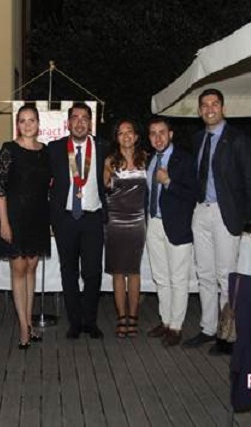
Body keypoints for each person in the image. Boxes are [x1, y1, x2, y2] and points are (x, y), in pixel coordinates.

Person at [182, 88, 251, 354]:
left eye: (214, 104)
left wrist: (244, 218)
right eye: (204, 105)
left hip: (225, 214)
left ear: (223, 108)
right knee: (204, 274)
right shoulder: (198, 139)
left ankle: (228, 335)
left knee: (226, 276)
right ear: (199, 111)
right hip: (201, 212)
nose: (210, 109)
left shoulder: (238, 139)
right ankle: (208, 328)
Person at [48, 102, 108, 339]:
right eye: (75, 117)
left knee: (93, 273)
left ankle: (90, 321)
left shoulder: (103, 147)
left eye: (84, 118)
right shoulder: (55, 148)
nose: (80, 122)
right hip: (65, 219)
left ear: (90, 123)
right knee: (69, 272)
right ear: (68, 123)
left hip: (93, 219)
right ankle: (74, 322)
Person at [0, 104, 50, 350]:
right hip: (15, 218)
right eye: (23, 120)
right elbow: (0, 190)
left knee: (31, 269)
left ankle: (29, 321)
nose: (27, 125)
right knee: (18, 270)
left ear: (38, 123)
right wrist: (4, 223)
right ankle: (23, 328)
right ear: (17, 124)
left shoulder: (45, 151)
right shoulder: (9, 149)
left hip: (38, 218)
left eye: (32, 120)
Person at [144, 116, 196, 347]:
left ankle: (176, 326)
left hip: (177, 225)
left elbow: (193, 193)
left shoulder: (185, 159)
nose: (158, 138)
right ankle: (165, 321)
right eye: (153, 133)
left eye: (162, 132)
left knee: (178, 278)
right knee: (161, 277)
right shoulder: (150, 160)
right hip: (154, 223)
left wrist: (168, 182)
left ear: (171, 134)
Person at [103, 119, 147, 338]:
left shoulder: (146, 159)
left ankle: (134, 316)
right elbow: (105, 188)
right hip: (115, 223)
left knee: (135, 271)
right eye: (121, 133)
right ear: (117, 138)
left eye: (129, 131)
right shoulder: (110, 161)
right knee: (118, 272)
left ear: (136, 136)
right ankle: (122, 317)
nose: (126, 135)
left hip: (138, 222)